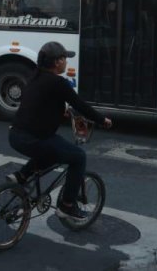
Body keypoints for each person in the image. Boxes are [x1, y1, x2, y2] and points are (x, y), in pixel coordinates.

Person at [8, 41, 113, 224]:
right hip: (34, 139)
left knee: (53, 152)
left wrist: (59, 111)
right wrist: (102, 120)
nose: (66, 63)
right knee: (78, 157)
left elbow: (36, 103)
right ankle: (67, 205)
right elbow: (79, 104)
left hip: (15, 136)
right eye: (65, 59)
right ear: (57, 62)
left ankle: (21, 176)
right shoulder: (58, 82)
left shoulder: (35, 76)